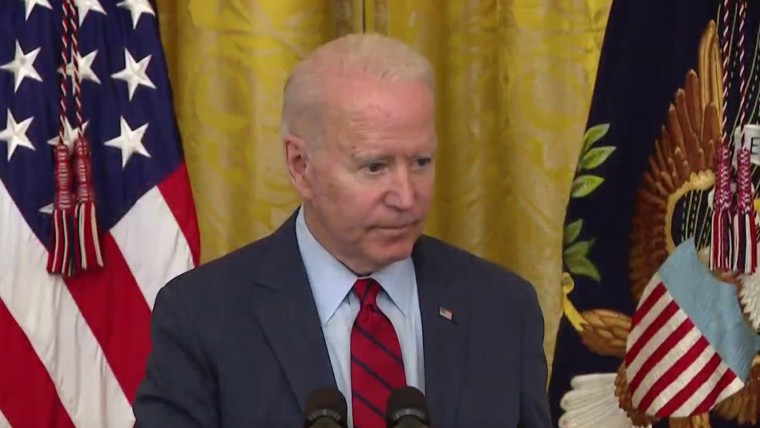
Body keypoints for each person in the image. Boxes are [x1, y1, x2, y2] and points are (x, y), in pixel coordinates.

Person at [132, 33, 552, 428]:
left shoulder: (502, 309)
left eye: (421, 162)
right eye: (375, 166)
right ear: (300, 165)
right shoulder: (202, 317)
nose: (406, 197)